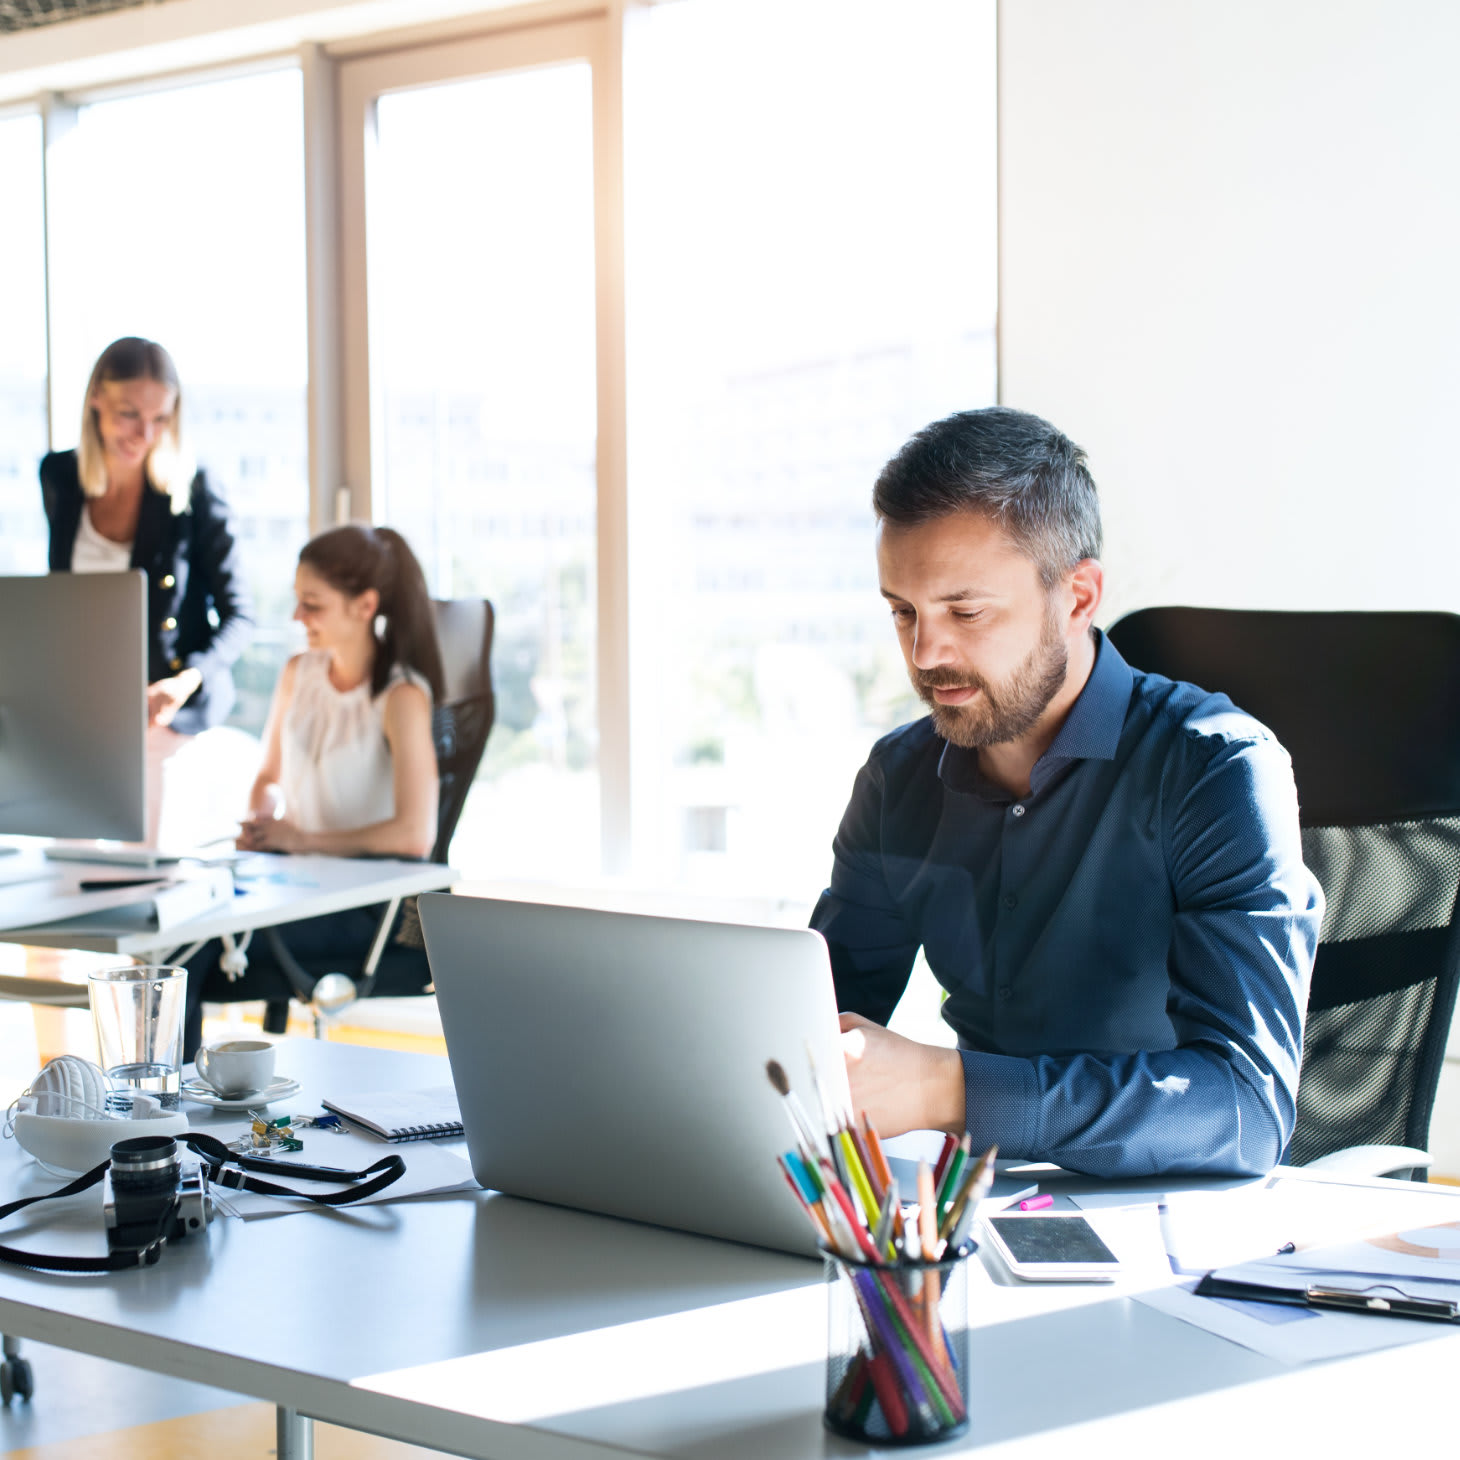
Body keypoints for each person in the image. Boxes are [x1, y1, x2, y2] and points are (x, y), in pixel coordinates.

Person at [812, 407, 1323, 1179]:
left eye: (966, 610)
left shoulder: (1217, 770)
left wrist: (949, 1088)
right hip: (983, 1208)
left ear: (1079, 597)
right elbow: (812, 1025)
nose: (925, 651)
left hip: (1182, 1222)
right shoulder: (898, 779)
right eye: (904, 612)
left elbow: (1246, 1111)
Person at [181, 523, 445, 1058]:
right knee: (176, 932)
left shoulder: (401, 697)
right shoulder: (298, 672)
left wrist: (301, 840)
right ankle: (159, 1113)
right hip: (294, 886)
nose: (297, 618)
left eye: (312, 604)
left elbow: (415, 834)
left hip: (369, 907)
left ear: (364, 605)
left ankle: (160, 1119)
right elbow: (267, 777)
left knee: (186, 957)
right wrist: (261, 824)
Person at [40, 337, 254, 844]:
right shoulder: (61, 476)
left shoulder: (193, 489)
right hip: (86, 700)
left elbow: (239, 615)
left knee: (144, 862)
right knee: (67, 854)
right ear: (95, 399)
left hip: (167, 703)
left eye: (161, 418)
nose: (145, 433)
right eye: (129, 414)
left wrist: (186, 682)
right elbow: (60, 601)